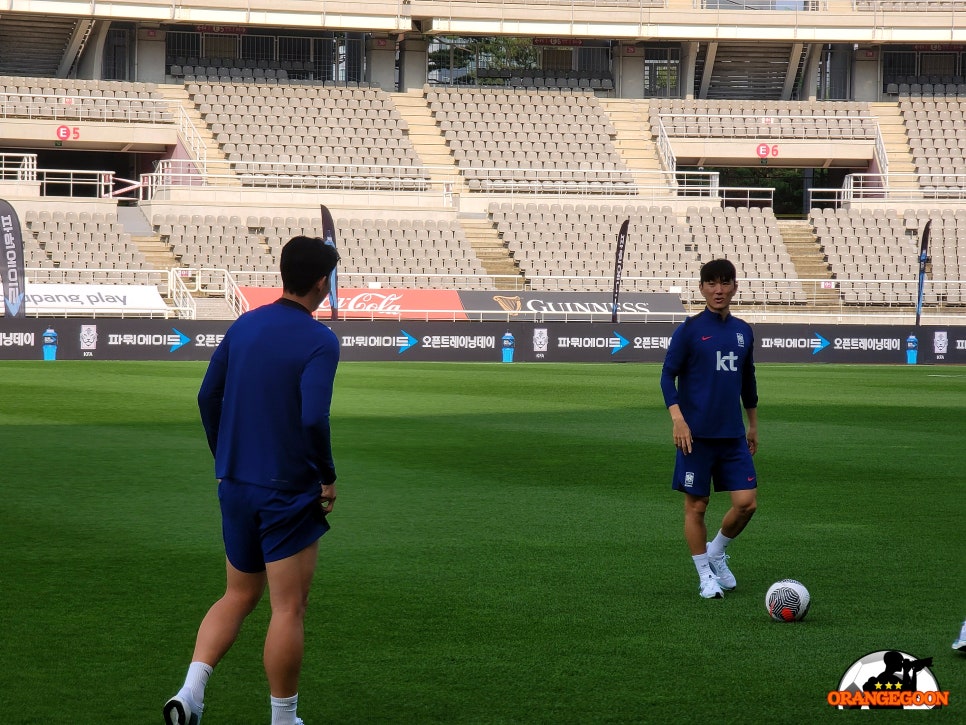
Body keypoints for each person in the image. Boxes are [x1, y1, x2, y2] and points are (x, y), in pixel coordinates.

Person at [164, 236, 341, 725]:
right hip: (287, 489)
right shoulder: (320, 340)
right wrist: (326, 477)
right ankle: (284, 719)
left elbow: (207, 398)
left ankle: (191, 692)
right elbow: (312, 419)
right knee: (289, 608)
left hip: (236, 484)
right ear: (322, 282)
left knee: (238, 594)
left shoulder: (243, 325)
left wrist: (226, 457)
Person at [660, 258, 758, 599]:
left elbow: (748, 380)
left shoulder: (743, 331)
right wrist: (678, 418)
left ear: (734, 286)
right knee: (697, 506)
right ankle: (705, 574)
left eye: (725, 282)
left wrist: (753, 424)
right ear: (701, 288)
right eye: (712, 283)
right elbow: (666, 375)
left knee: (747, 503)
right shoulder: (689, 330)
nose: (719, 290)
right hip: (695, 436)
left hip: (732, 435)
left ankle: (716, 551)